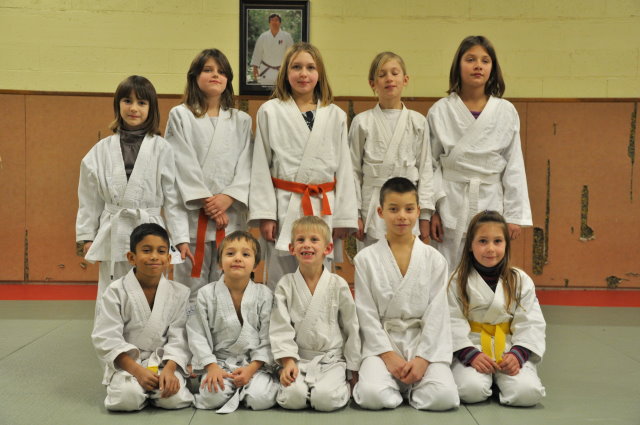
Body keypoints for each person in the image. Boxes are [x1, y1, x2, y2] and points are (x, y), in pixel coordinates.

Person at [76, 75, 191, 310]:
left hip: (150, 227)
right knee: (112, 289)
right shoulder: (100, 150)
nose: (134, 108)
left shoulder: (162, 148)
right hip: (113, 227)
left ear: (151, 108)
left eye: (142, 102)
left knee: (151, 287)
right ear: (118, 105)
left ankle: (152, 331)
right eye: (127, 101)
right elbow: (89, 198)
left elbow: (173, 198)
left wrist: (180, 238)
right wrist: (87, 236)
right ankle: (113, 332)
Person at [249, 42, 358, 289]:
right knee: (282, 278)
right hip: (284, 204)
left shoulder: (335, 114)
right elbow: (261, 166)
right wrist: (265, 215)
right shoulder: (269, 111)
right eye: (296, 67)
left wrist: (343, 218)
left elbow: (344, 169)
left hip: (323, 206)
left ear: (320, 73)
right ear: (285, 72)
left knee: (320, 279)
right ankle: (281, 315)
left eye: (310, 67)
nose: (303, 74)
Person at [353, 177, 459, 411]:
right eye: (393, 209)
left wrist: (423, 359)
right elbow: (365, 314)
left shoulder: (435, 259)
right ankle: (402, 387)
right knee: (372, 396)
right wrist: (388, 355)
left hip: (423, 341)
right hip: (382, 342)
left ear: (418, 211)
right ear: (380, 212)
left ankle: (407, 384)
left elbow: (438, 313)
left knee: (445, 397)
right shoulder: (365, 259)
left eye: (409, 209)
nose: (402, 216)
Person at [427, 35, 532, 267]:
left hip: (490, 199)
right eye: (470, 59)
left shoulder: (506, 111)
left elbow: (514, 164)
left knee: (488, 264)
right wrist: (431, 210)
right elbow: (430, 165)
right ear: (458, 65)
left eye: (485, 61)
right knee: (447, 269)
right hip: (450, 201)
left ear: (492, 68)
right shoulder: (440, 110)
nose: (478, 66)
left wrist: (514, 215)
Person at [165, 49, 252, 302]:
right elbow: (180, 164)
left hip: (230, 217)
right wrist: (207, 202)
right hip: (193, 216)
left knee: (229, 288)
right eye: (208, 70)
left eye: (221, 71)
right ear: (194, 76)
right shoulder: (181, 115)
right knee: (189, 290)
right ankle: (189, 328)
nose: (216, 75)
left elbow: (247, 165)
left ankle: (225, 327)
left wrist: (228, 197)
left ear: (228, 80)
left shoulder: (241, 120)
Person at [91, 223, 194, 411]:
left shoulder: (180, 293)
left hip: (163, 363)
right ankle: (137, 389)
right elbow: (106, 337)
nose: (154, 256)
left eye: (161, 251)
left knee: (175, 399)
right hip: (129, 365)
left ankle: (155, 387)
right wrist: (138, 371)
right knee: (126, 399)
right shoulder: (115, 292)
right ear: (132, 257)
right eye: (146, 250)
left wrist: (170, 369)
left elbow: (181, 337)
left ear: (168, 258)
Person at [448, 210, 546, 406]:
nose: (490, 248)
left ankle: (500, 380)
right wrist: (470, 354)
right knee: (470, 391)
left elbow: (531, 323)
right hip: (472, 345)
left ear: (506, 245)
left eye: (498, 241)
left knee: (527, 394)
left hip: (508, 347)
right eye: (483, 241)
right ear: (470, 245)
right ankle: (488, 381)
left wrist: (518, 354)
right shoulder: (457, 280)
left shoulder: (520, 280)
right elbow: (451, 321)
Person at [269, 216, 360, 411]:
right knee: (293, 398)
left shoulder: (338, 284)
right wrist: (287, 361)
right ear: (292, 248)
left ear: (328, 248)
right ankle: (296, 382)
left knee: (325, 400)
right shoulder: (285, 285)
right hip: (298, 359)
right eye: (300, 240)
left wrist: (353, 369)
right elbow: (280, 327)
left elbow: (351, 326)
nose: (306, 245)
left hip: (331, 360)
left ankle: (339, 385)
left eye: (314, 240)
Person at [186, 231, 278, 413]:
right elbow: (197, 335)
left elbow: (268, 337)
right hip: (219, 364)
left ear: (255, 265)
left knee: (261, 399)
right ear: (220, 263)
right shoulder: (205, 294)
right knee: (212, 396)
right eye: (230, 253)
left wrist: (251, 369)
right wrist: (211, 367)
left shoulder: (265, 294)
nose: (237, 258)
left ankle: (249, 388)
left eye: (245, 254)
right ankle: (239, 390)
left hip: (254, 364)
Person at [349, 51, 434, 247]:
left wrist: (425, 215)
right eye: (382, 74)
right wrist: (355, 213)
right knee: (373, 258)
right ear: (373, 84)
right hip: (373, 204)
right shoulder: (362, 122)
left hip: (408, 203)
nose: (389, 78)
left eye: (395, 73)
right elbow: (353, 170)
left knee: (406, 258)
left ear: (405, 80)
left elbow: (425, 169)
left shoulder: (418, 121)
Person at [250, 13, 294, 85]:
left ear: (280, 23)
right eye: (272, 20)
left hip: (281, 70)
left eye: (276, 20)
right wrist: (255, 68)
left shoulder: (287, 36)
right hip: (266, 70)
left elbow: (291, 54)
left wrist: (291, 68)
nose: (274, 22)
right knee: (264, 89)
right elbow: (257, 53)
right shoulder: (263, 36)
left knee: (282, 89)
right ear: (269, 23)